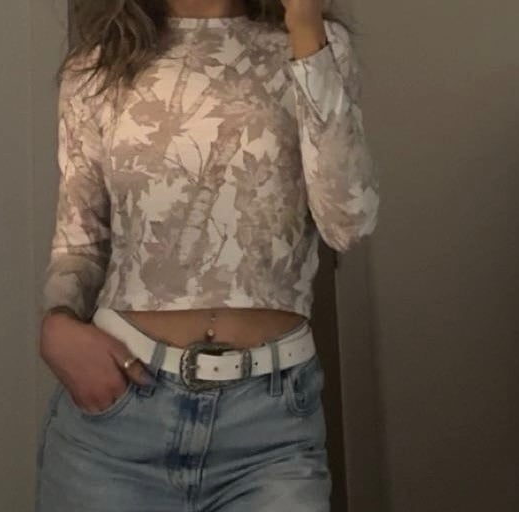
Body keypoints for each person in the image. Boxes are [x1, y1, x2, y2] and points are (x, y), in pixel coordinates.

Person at [35, 0, 379, 510]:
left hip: (272, 428)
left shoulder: (315, 44)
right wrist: (58, 322)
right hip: (119, 416)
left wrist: (306, 29)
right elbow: (80, 242)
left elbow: (347, 221)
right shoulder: (98, 65)